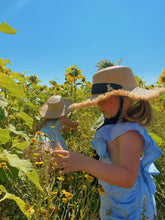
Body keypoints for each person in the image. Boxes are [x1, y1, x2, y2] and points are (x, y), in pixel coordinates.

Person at [52, 66, 165, 219]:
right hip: (117, 200)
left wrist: (84, 162)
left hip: (131, 209)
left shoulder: (130, 133)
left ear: (124, 98)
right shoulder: (116, 127)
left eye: (103, 99)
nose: (99, 104)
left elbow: (127, 178)